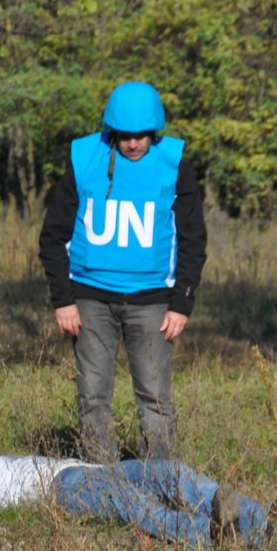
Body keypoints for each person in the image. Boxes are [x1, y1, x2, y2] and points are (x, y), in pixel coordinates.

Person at [38, 81, 207, 465]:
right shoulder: (85, 158)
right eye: (125, 136)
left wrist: (181, 303)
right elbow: (53, 236)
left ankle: (160, 479)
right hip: (90, 300)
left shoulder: (174, 164)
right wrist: (63, 299)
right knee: (93, 395)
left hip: (153, 303)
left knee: (154, 396)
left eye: (141, 136)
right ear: (112, 130)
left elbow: (193, 238)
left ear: (154, 131)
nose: (133, 144)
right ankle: (102, 479)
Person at [0, 455, 277, 547]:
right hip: (64, 489)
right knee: (137, 506)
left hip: (92, 470)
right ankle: (211, 535)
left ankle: (261, 520)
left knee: (169, 472)